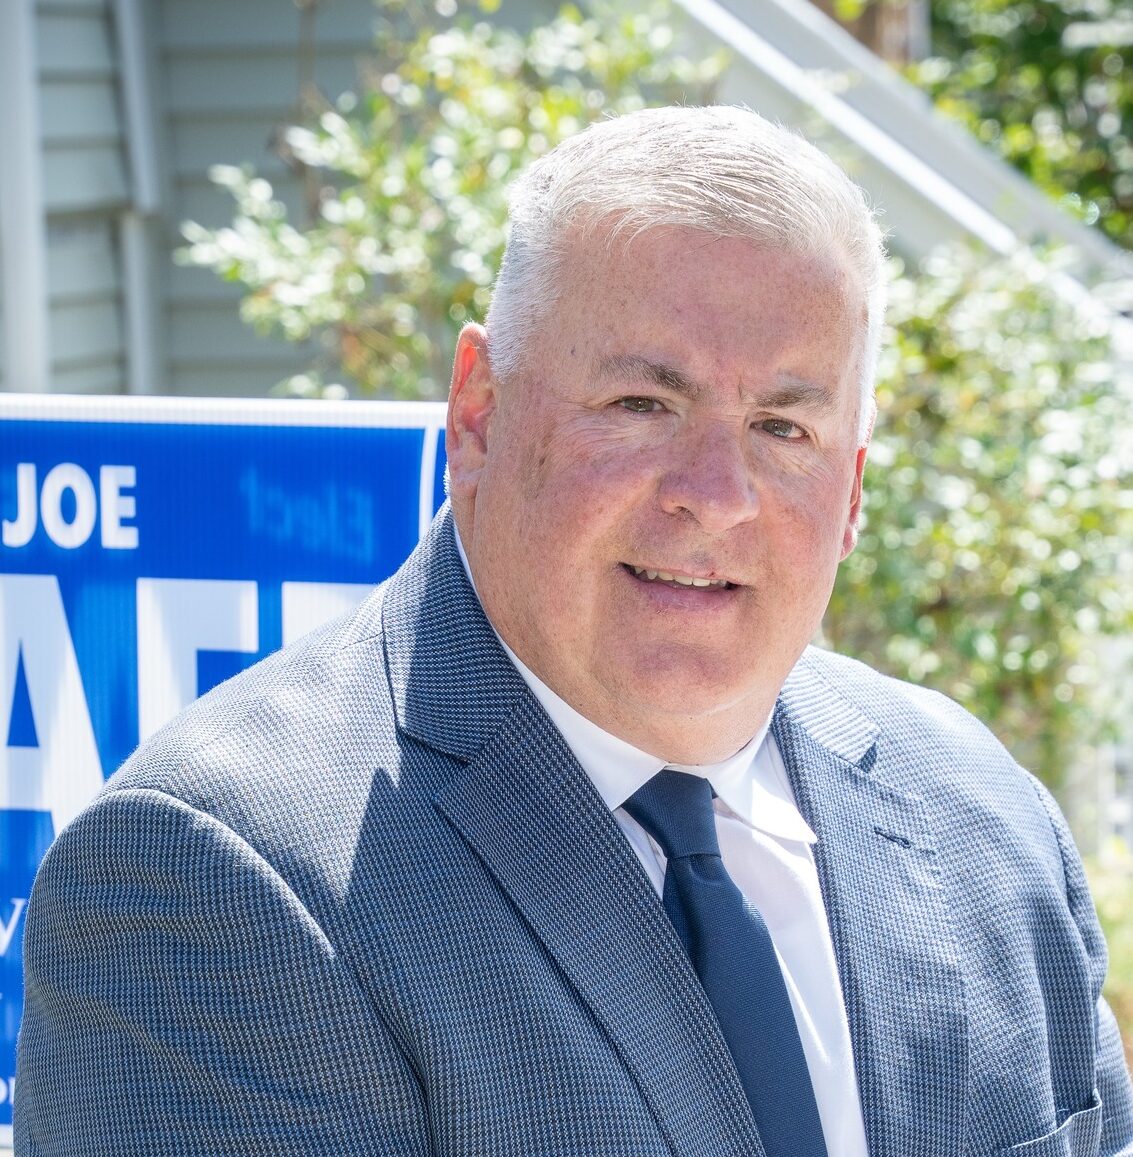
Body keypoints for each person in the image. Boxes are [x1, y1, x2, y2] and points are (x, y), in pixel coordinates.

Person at [14, 105, 1133, 1156]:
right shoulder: (219, 882)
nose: (714, 492)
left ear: (849, 491)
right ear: (479, 413)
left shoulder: (983, 819)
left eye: (780, 424)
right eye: (641, 404)